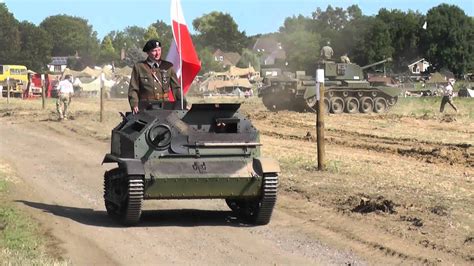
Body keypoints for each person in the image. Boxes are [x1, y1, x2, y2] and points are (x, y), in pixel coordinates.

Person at [128, 39, 184, 114]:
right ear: (148, 52)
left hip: (165, 106)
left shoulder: (168, 66)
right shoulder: (139, 67)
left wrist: (183, 103)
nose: (157, 53)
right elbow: (133, 89)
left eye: (159, 50)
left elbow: (176, 88)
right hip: (146, 107)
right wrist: (134, 104)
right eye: (154, 51)